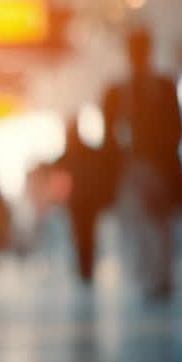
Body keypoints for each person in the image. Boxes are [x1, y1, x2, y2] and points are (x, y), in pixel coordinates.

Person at [101, 29, 182, 299]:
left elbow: (176, 128)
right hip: (135, 168)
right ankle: (150, 276)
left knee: (156, 223)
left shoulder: (160, 87)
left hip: (155, 167)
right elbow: (110, 136)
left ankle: (159, 275)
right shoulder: (118, 92)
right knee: (142, 223)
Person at [56, 121, 114, 284]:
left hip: (81, 202)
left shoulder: (70, 154)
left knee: (82, 236)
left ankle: (85, 269)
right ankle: (85, 269)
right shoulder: (85, 152)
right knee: (86, 236)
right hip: (84, 202)